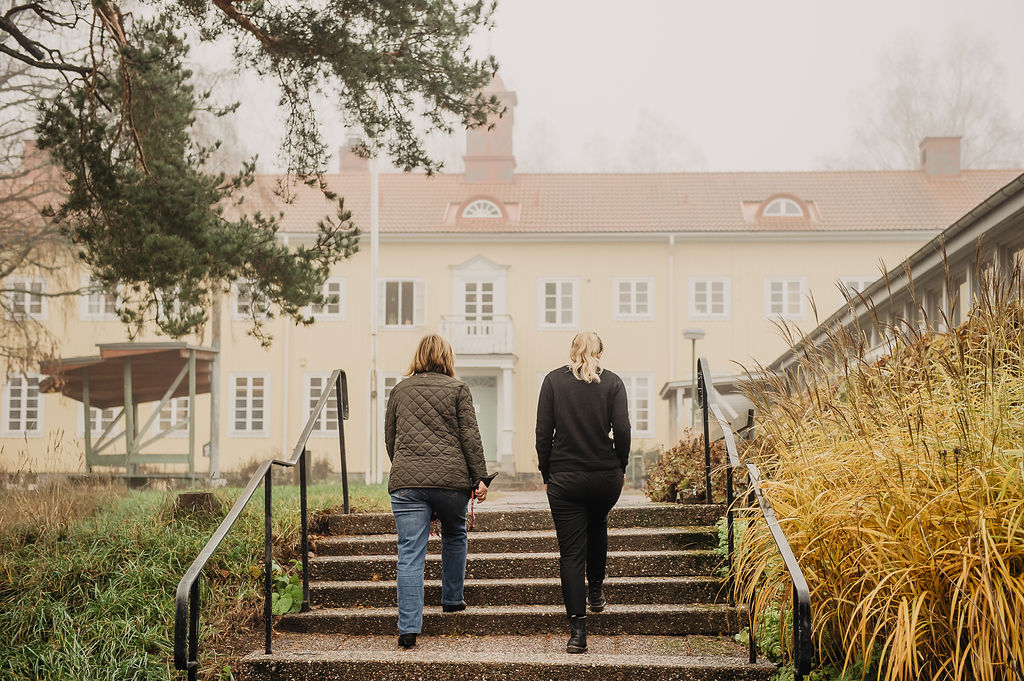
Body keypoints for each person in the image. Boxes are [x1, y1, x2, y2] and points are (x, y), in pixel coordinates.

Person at [385, 334, 490, 649]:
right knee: (455, 532)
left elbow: (390, 438)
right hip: (450, 484)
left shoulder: (400, 390)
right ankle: (452, 599)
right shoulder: (458, 389)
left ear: (418, 356)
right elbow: (470, 435)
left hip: (406, 483)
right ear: (448, 357)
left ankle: (408, 630)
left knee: (409, 552)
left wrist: (406, 469)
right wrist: (479, 477)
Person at [535, 331, 630, 654]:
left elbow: (542, 431)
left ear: (572, 351)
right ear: (600, 352)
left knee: (571, 553)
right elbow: (624, 429)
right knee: (598, 523)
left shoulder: (552, 382)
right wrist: (621, 466)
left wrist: (546, 471)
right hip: (605, 476)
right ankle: (597, 592)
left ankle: (578, 633)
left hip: (564, 477)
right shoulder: (613, 382)